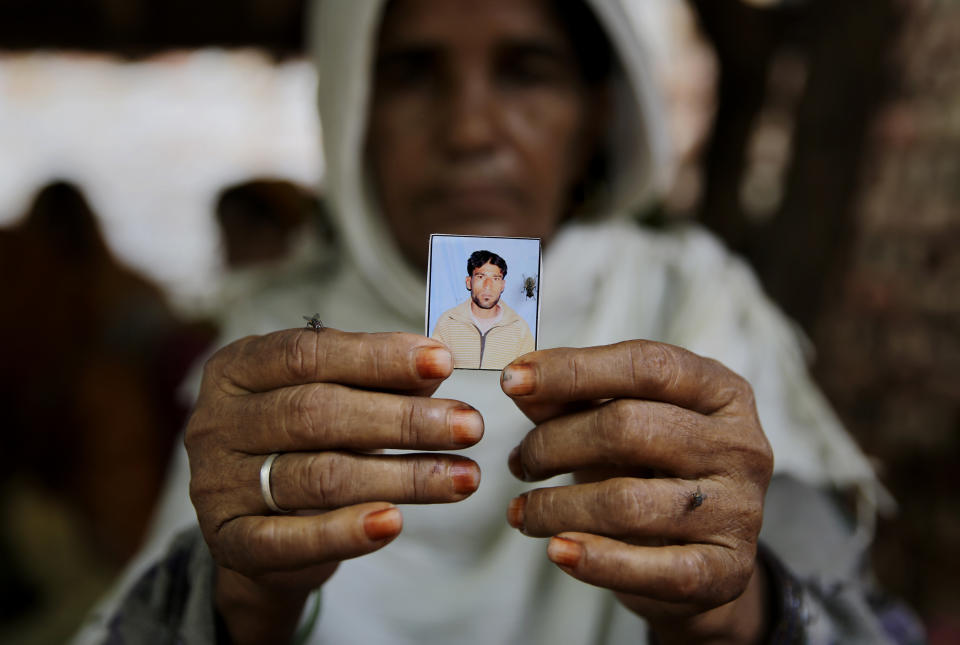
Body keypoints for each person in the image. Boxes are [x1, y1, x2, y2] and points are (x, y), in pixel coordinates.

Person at [74, 1, 915, 644]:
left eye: (525, 70)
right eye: (412, 73)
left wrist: (735, 610)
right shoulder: (274, 350)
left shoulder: (693, 312)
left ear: (595, 114)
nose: (470, 131)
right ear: (352, 108)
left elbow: (858, 617)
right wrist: (240, 602)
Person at [432, 250, 536, 369]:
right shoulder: (447, 322)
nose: (488, 286)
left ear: (502, 285)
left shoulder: (520, 328)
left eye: (495, 278)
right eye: (481, 277)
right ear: (468, 282)